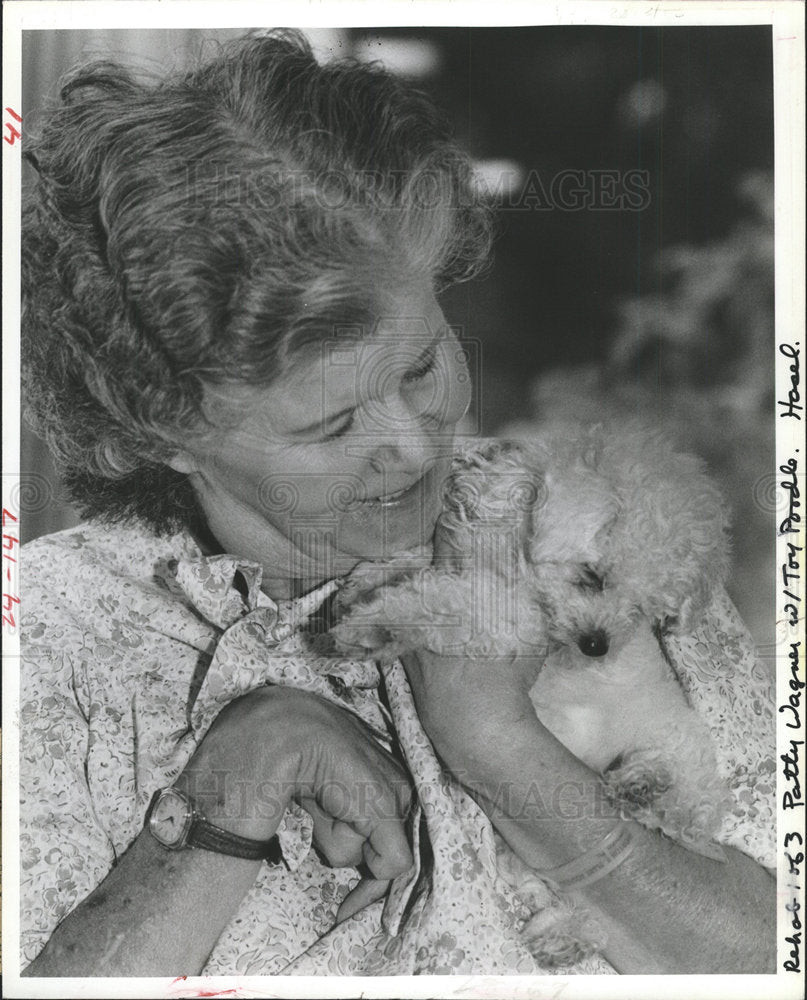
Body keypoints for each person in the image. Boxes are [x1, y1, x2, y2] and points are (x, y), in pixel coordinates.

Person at [19, 30, 776, 978]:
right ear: (162, 429)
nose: (420, 445)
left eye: (422, 365)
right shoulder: (49, 630)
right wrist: (236, 782)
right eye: (332, 427)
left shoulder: (601, 530)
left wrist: (496, 742)